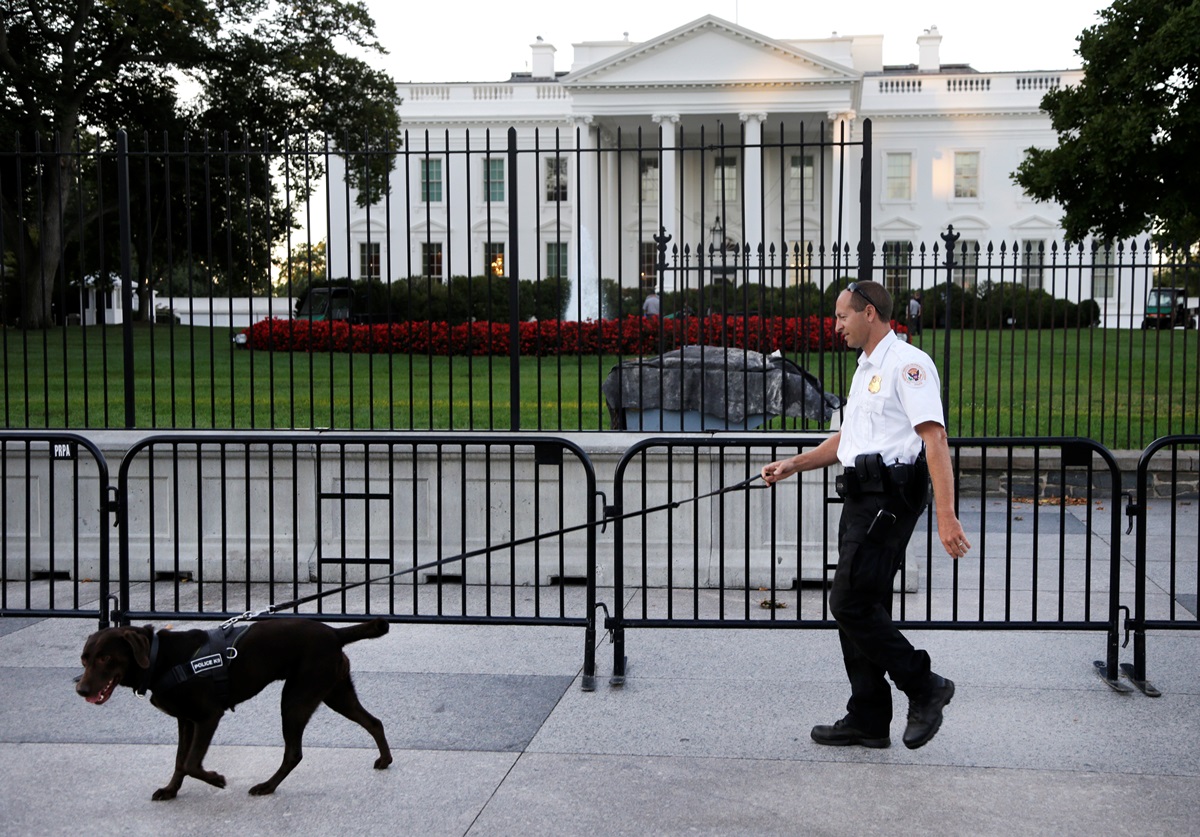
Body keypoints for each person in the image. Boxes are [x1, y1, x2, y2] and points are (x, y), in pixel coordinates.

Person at [761, 280, 968, 750]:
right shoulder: (866, 370)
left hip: (888, 503)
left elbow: (934, 439)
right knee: (861, 607)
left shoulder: (908, 365)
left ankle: (925, 685)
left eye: (841, 316)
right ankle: (869, 717)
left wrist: (946, 515)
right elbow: (850, 441)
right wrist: (795, 463)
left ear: (869, 313)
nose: (836, 326)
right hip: (860, 500)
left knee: (849, 603)